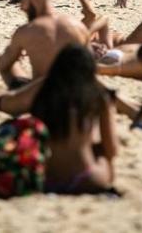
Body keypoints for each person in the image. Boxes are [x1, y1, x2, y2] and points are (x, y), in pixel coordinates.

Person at [30, 44, 118, 194]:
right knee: (101, 152)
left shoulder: (43, 96)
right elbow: (112, 150)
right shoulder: (98, 98)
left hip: (48, 181)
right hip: (86, 178)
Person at [0, 0, 91, 89]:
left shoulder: (26, 31)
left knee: (9, 63)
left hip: (44, 96)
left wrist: (16, 57)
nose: (22, 8)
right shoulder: (77, 26)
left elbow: (3, 65)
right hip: (79, 93)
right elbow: (90, 67)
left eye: (23, 2)